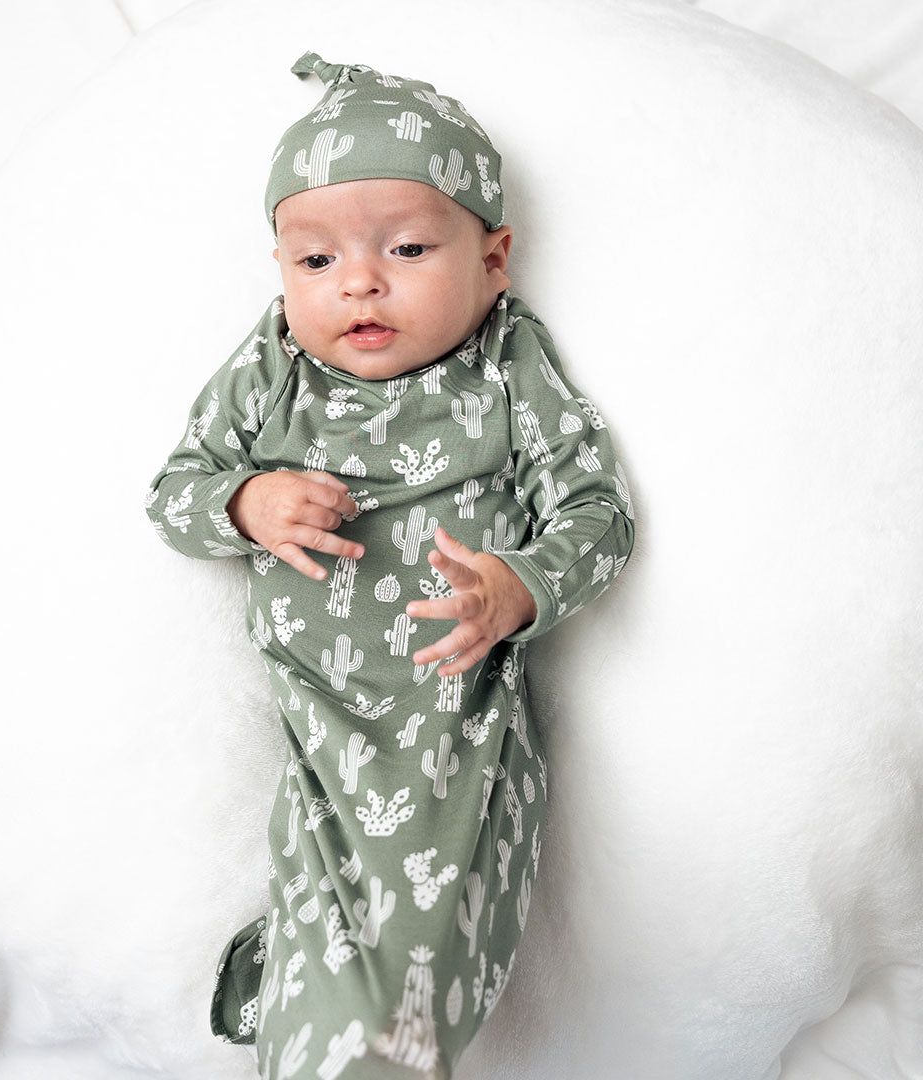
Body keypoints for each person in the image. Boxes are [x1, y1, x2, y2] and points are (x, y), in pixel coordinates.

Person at [145, 50, 636, 1079]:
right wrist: (249, 499)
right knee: (327, 885)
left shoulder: (506, 365)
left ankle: (373, 1045)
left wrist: (521, 585)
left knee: (433, 923)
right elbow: (175, 492)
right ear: (279, 272)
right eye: (315, 261)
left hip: (455, 711)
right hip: (321, 711)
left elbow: (597, 512)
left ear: (495, 258)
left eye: (408, 247)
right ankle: (317, 1013)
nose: (358, 281)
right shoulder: (275, 364)